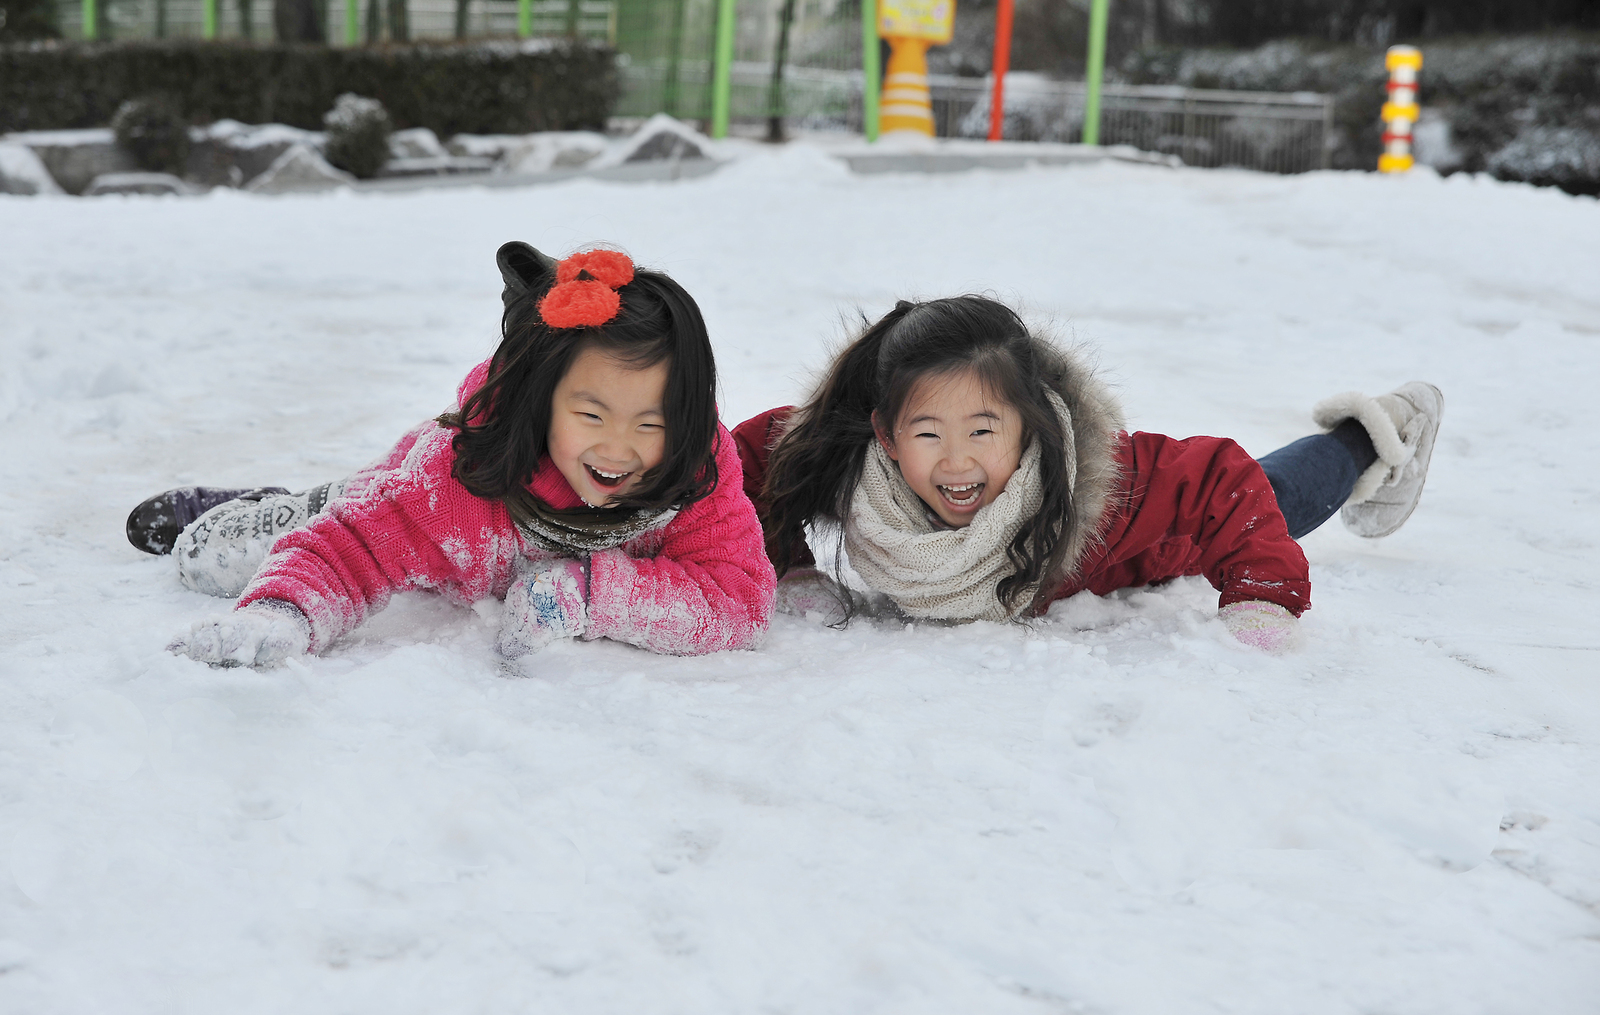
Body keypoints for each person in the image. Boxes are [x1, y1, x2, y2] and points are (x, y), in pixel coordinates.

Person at [133, 243, 777, 668]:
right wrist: (283, 612)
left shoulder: (695, 476)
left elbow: (741, 597)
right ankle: (293, 506)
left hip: (421, 500)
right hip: (402, 484)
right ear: (541, 402)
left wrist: (590, 592)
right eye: (590, 416)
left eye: (652, 423)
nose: (619, 448)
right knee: (208, 560)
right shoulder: (454, 484)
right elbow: (354, 549)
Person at [734, 295, 1443, 652]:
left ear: (1030, 426)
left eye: (983, 431)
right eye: (928, 434)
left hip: (1175, 541)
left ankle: (1376, 434)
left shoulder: (1109, 486)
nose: (956, 461)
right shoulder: (853, 463)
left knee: (1276, 492)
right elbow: (748, 467)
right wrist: (790, 566)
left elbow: (1221, 479)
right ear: (887, 436)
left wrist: (1261, 595)